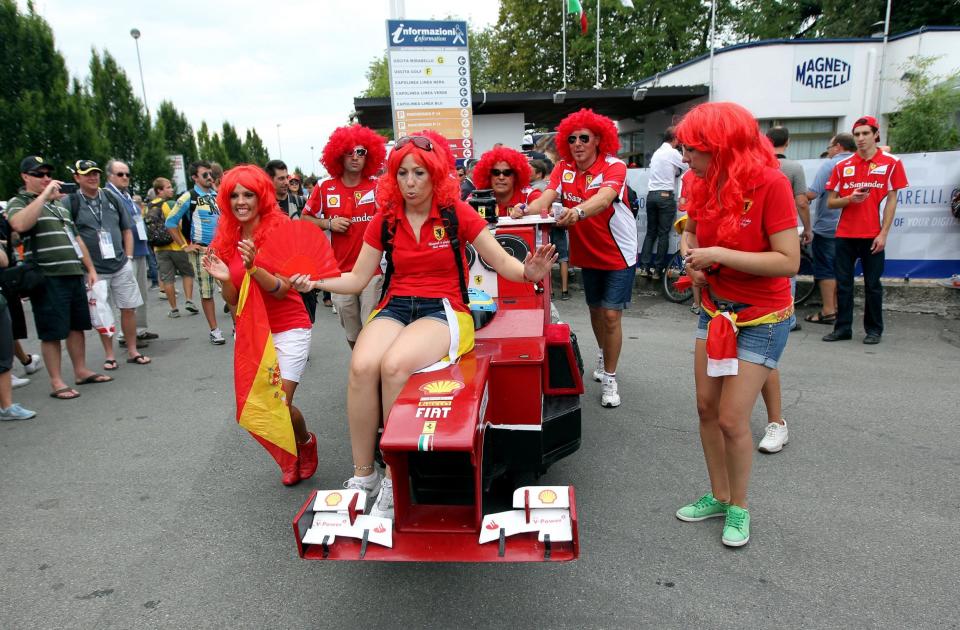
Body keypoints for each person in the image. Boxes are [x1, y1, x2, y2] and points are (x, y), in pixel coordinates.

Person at [290, 131, 556, 520]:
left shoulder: (456, 212)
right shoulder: (385, 219)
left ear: (435, 174)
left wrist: (527, 272)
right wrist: (315, 281)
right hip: (395, 305)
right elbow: (357, 279)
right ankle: (364, 476)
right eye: (402, 173)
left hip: (444, 308)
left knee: (394, 366)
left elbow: (502, 263)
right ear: (392, 178)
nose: (410, 182)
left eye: (418, 173)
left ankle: (396, 481)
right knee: (362, 366)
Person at [673, 102, 800, 548]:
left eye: (692, 149)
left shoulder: (771, 183)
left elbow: (788, 260)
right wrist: (693, 258)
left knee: (731, 419)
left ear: (719, 146)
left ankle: (739, 509)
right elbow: (689, 231)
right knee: (706, 409)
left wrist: (719, 256)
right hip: (714, 311)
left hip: (762, 319)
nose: (684, 157)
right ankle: (719, 495)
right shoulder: (699, 180)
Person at [202, 165, 317, 486]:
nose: (241, 201)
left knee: (280, 402)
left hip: (289, 325)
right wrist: (226, 278)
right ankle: (288, 457)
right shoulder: (228, 237)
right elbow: (232, 299)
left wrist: (253, 267)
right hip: (253, 331)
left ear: (261, 197)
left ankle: (304, 443)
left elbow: (282, 289)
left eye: (248, 194)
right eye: (234, 195)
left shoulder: (281, 230)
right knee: (258, 407)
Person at [522, 108, 638, 408]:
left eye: (584, 138)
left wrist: (578, 211)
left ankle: (610, 377)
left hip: (618, 254)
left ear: (598, 139)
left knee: (612, 315)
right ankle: (603, 351)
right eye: (571, 138)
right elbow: (547, 198)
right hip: (587, 253)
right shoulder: (563, 168)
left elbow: (604, 199)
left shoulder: (614, 167)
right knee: (597, 312)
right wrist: (522, 210)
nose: (578, 143)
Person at [6, 155, 109, 399]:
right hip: (47, 274)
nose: (46, 178)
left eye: (48, 174)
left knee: (77, 326)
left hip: (72, 272)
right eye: (39, 174)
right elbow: (19, 224)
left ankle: (81, 370)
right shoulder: (20, 201)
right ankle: (56, 381)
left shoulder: (58, 205)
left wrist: (90, 269)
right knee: (52, 330)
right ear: (25, 177)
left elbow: (76, 238)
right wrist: (43, 197)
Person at [823, 116, 908, 345]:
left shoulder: (892, 162)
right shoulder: (842, 165)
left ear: (875, 134)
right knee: (843, 284)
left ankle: (874, 330)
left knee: (872, 285)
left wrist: (884, 233)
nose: (860, 138)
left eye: (865, 133)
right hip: (844, 235)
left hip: (873, 234)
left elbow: (892, 201)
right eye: (857, 134)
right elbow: (831, 202)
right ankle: (842, 329)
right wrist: (850, 199)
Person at [302, 124, 386, 343]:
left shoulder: (377, 186)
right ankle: (360, 363)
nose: (355, 157)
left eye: (361, 152)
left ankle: (368, 373)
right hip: (338, 273)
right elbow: (305, 219)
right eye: (349, 152)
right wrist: (329, 223)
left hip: (372, 271)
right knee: (352, 334)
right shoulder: (324, 186)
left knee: (372, 331)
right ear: (339, 155)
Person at [66, 160, 151, 369]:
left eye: (95, 173)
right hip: (94, 268)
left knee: (128, 308)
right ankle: (110, 355)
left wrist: (129, 258)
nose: (93, 177)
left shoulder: (111, 197)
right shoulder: (71, 202)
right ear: (77, 177)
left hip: (121, 262)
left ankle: (132, 350)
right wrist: (87, 268)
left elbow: (126, 230)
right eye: (87, 174)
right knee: (103, 312)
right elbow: (71, 235)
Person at [165, 160, 226, 345]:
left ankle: (237, 326)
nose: (210, 177)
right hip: (202, 251)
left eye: (210, 173)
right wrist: (185, 246)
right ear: (194, 177)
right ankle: (215, 330)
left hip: (222, 249)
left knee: (232, 288)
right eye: (205, 174)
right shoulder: (187, 197)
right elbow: (170, 222)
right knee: (207, 292)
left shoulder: (218, 195)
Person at [105, 160, 159, 345]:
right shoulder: (108, 195)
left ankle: (140, 329)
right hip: (124, 253)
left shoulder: (126, 195)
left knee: (141, 293)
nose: (125, 177)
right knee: (128, 297)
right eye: (120, 174)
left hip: (139, 248)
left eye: (127, 174)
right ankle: (126, 334)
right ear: (110, 176)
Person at [804, 132, 855, 325]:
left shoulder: (831, 164)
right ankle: (839, 309)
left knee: (826, 269)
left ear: (839, 147)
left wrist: (799, 198)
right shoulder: (860, 163)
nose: (829, 151)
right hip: (852, 227)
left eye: (830, 147)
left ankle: (828, 310)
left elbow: (813, 193)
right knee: (843, 269)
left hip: (828, 226)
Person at [639, 127, 685, 280]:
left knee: (650, 232)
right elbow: (688, 165)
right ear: (675, 139)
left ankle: (644, 268)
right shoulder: (672, 153)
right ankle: (658, 270)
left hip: (651, 195)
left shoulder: (657, 153)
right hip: (665, 196)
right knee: (663, 234)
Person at [149, 177, 197, 318]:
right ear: (160, 190)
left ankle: (174, 308)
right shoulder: (169, 204)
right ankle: (189, 300)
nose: (171, 189)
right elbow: (177, 223)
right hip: (177, 246)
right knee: (187, 273)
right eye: (168, 187)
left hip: (159, 249)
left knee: (168, 279)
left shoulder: (149, 206)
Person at [529, 159, 569, 300]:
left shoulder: (536, 189)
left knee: (548, 258)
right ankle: (565, 291)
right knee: (563, 258)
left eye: (530, 169)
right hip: (560, 224)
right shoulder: (553, 186)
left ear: (539, 173)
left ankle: (550, 291)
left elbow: (541, 208)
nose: (527, 172)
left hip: (546, 227)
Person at [473, 145, 542, 217]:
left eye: (507, 173)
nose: (501, 177)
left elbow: (545, 206)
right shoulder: (478, 197)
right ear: (488, 175)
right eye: (495, 172)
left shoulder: (528, 195)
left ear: (516, 176)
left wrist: (527, 210)